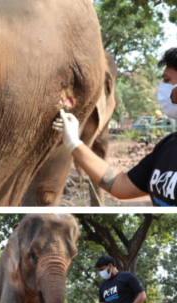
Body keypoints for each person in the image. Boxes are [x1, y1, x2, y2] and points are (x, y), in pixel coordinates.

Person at [52, 48, 177, 206]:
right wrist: (73, 143)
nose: (162, 88)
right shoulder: (167, 146)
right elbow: (121, 185)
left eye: (166, 81)